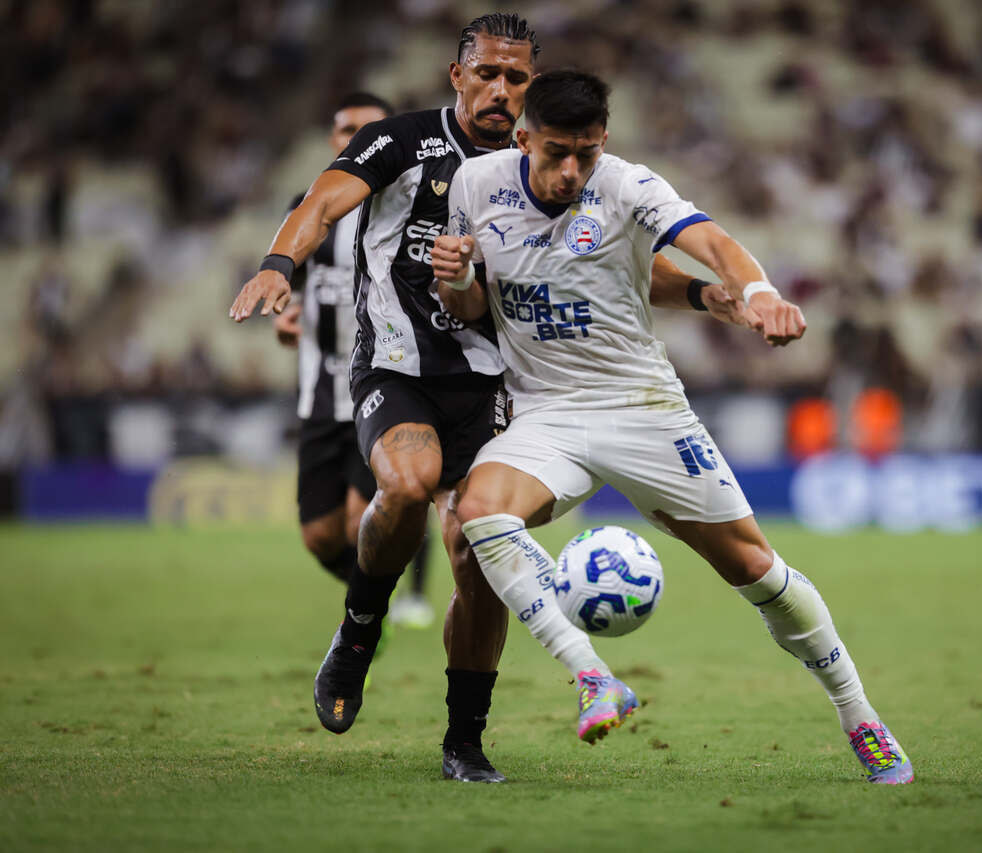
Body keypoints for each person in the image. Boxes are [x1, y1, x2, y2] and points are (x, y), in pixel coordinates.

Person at [229, 15, 743, 783]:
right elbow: (326, 200)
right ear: (457, 75)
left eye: (517, 78)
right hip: (397, 364)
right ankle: (358, 631)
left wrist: (708, 292)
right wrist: (278, 263)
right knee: (405, 481)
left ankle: (463, 741)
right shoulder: (404, 141)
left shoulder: (544, 161)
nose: (502, 90)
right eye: (489, 74)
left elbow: (613, 273)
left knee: (479, 545)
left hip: (495, 380)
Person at [431, 70, 914, 784]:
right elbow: (474, 307)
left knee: (756, 569)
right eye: (557, 151)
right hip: (547, 412)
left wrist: (754, 292)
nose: (572, 170)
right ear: (524, 137)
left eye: (586, 153)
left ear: (605, 143)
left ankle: (861, 716)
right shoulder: (474, 187)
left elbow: (710, 241)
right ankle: (593, 674)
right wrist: (456, 279)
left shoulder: (626, 185)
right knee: (476, 515)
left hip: (643, 408)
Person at [272, 92, 434, 628]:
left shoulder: (413, 207)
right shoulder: (309, 206)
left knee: (367, 515)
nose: (353, 139)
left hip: (384, 385)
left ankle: (391, 603)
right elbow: (296, 287)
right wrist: (285, 318)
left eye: (367, 130)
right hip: (319, 390)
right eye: (345, 130)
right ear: (333, 140)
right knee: (320, 536)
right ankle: (373, 604)